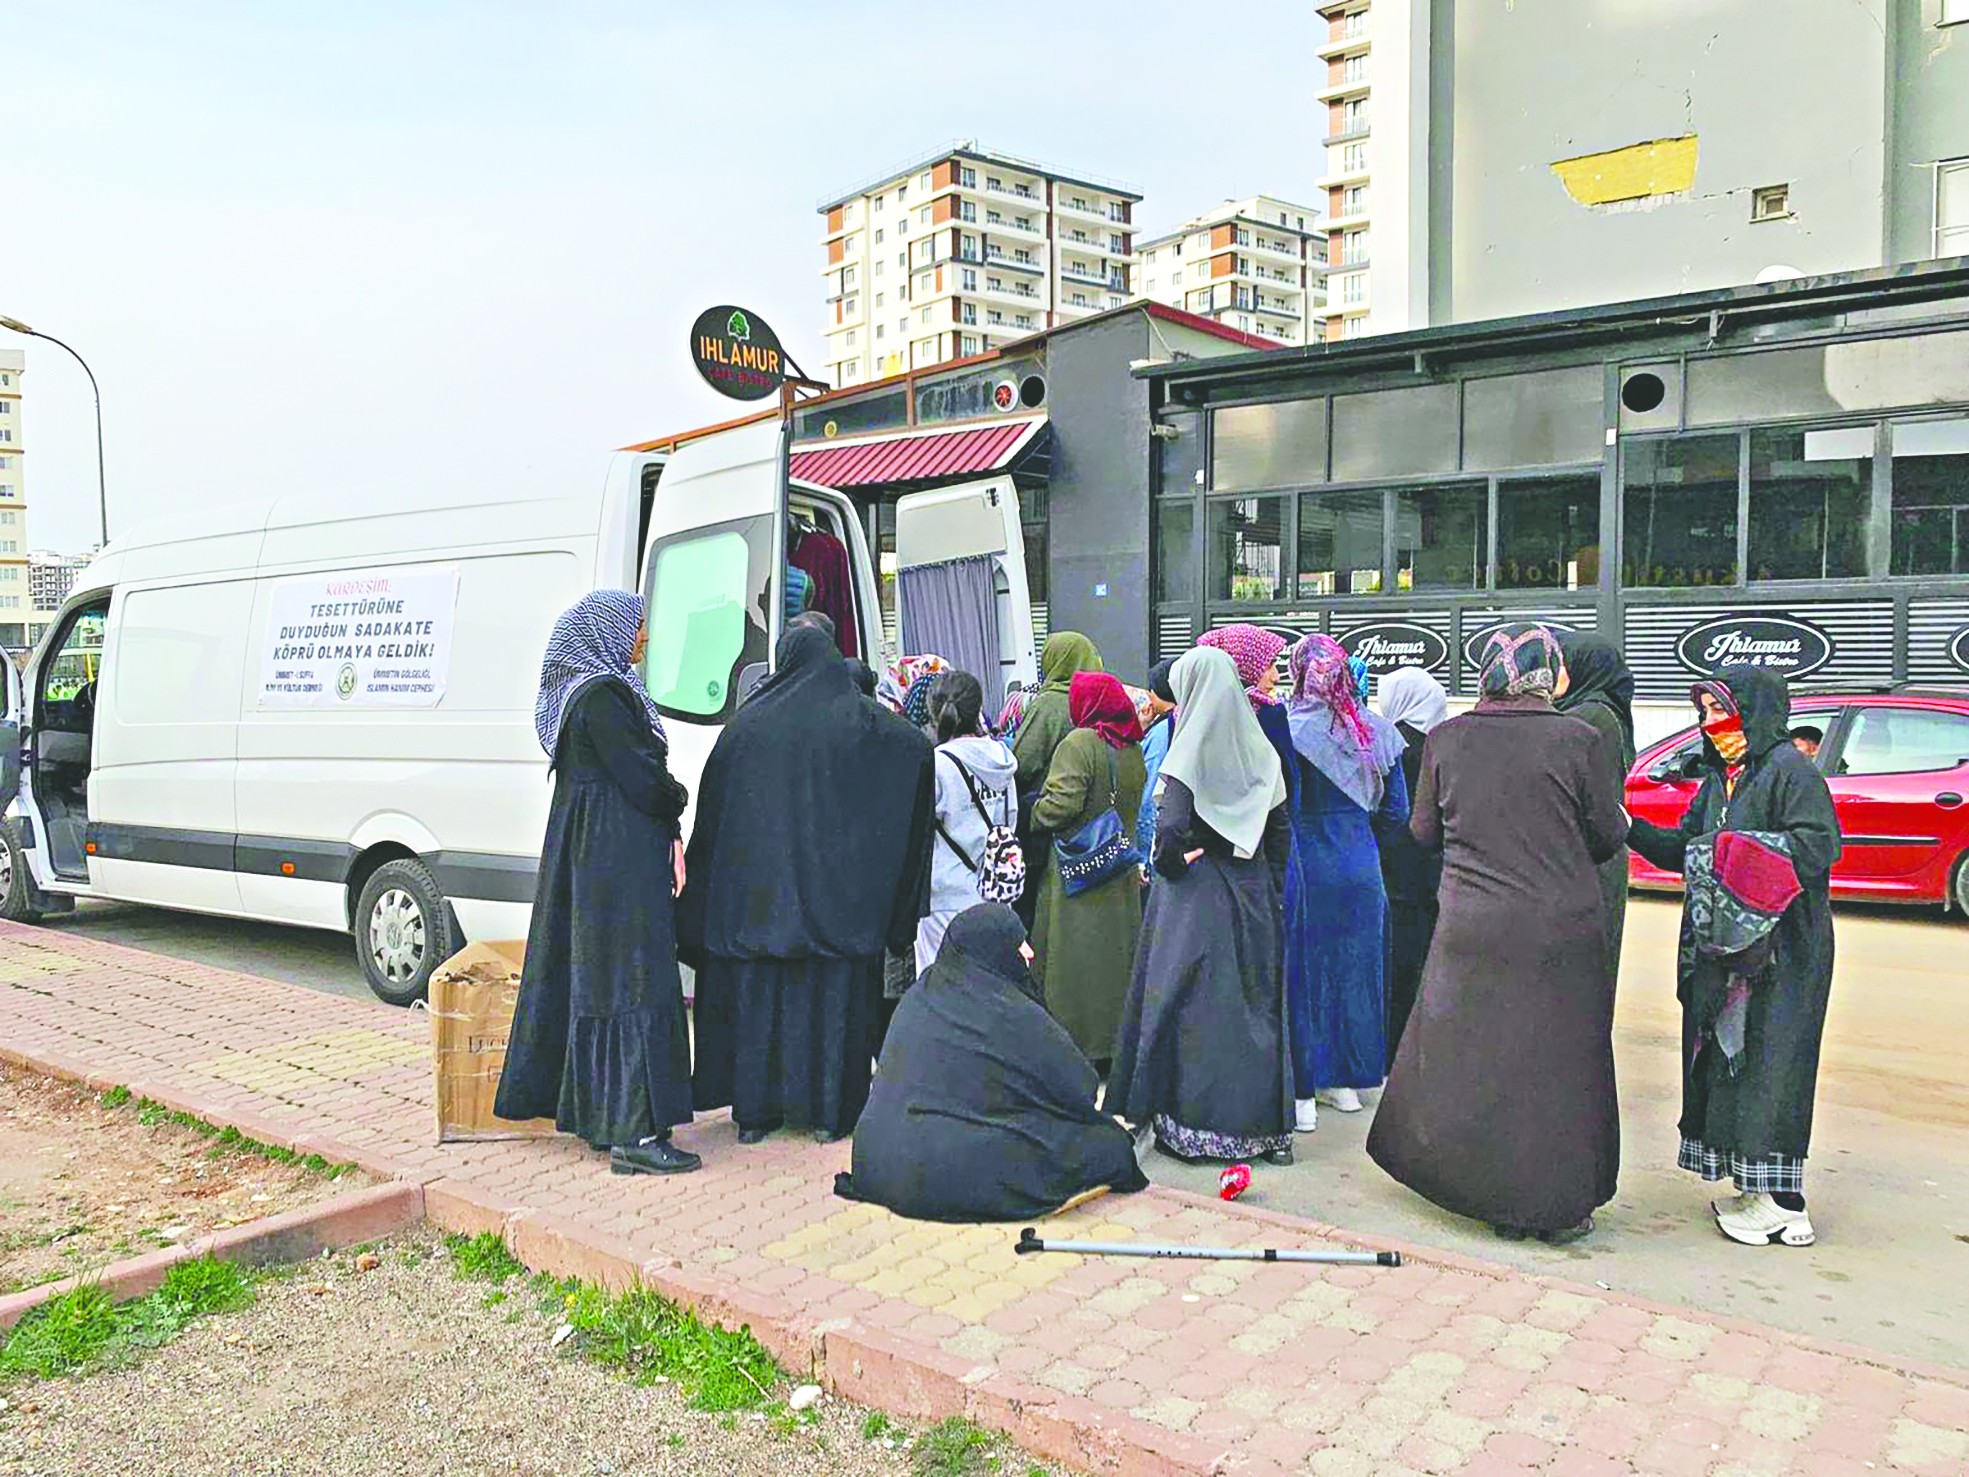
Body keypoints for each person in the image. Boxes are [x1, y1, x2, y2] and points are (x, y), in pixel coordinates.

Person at [1367, 624, 1629, 1243]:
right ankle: (1551, 1209)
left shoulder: (1447, 739)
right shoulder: (1580, 738)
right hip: (1558, 932)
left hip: (1470, 924)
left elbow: (1423, 831)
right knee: (1556, 1066)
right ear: (1548, 675)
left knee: (1475, 1060)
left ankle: (1480, 1191)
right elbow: (1606, 837)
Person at [681, 624, 936, 1144]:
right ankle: (828, 1117)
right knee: (833, 1013)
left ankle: (755, 1116)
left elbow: (713, 822)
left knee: (761, 1014)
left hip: (757, 912)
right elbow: (913, 748)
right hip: (839, 914)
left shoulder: (745, 729)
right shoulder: (861, 723)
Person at [1628, 668, 1842, 1247]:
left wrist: (1731, 853)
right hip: (1728, 951)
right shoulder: (1724, 780)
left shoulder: (1789, 773)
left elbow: (1819, 846)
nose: (1709, 724)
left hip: (1782, 953)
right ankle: (1754, 1189)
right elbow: (1686, 847)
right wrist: (1627, 827)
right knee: (1731, 1064)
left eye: (1719, 711)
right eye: (1704, 712)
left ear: (1754, 713)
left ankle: (1787, 1205)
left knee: (1774, 1064)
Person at [496, 591, 699, 1175]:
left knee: (604, 980)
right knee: (632, 979)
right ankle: (634, 1133)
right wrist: (678, 799)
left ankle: (607, 1118)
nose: (645, 639)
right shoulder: (602, 698)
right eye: (637, 627)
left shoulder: (581, 697)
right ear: (607, 630)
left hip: (599, 857)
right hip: (617, 863)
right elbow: (643, 776)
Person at [839, 904, 1148, 1223]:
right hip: (937, 1175)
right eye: (1017, 944)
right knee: (1110, 1145)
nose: (1028, 952)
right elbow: (1079, 1087)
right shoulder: (1010, 1012)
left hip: (873, 1160)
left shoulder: (919, 996)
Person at [1108, 647, 1294, 1166]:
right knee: (1254, 1008)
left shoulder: (1188, 749)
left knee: (1193, 1010)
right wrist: (1268, 890)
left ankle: (1195, 1129)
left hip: (1196, 898)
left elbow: (1168, 829)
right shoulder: (1262, 753)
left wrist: (1173, 864)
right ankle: (1265, 1135)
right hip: (1252, 892)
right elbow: (1280, 834)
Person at [1281, 635, 1409, 1132]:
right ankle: (1350, 1085)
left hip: (1309, 862)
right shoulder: (1378, 732)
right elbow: (1395, 812)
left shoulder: (1289, 730)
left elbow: (1283, 805)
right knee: (1357, 971)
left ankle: (1306, 1093)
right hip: (1361, 863)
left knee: (1308, 973)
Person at [1029, 671, 1146, 1067]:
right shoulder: (1130, 747)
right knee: (1116, 965)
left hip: (1079, 876)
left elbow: (1061, 805)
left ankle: (1076, 1049)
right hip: (1119, 872)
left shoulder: (1079, 742)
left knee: (1074, 968)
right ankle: (1114, 1047)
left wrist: (1034, 811)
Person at [918, 671, 1018, 974]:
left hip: (945, 895)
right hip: (995, 892)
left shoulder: (935, 765)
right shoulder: (1002, 758)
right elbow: (1010, 820)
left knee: (940, 991)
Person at [1375, 666, 1449, 1071]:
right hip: (1433, 870)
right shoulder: (1444, 744)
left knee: (1396, 964)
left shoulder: (1388, 743)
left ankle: (1390, 1051)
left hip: (1392, 866)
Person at [1555, 631, 1639, 991]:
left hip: (1587, 856)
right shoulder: (1603, 711)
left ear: (1584, 668)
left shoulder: (1589, 716)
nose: (1554, 671)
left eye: (1562, 663)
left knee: (1578, 976)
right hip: (1599, 854)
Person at [1012, 632, 1104, 791]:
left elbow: (1023, 764)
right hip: (1102, 809)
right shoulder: (1106, 700)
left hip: (1054, 802)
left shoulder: (1050, 704)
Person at [1135, 659, 1178, 862]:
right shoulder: (1184, 720)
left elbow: (1149, 795)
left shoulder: (1163, 731)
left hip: (1157, 842)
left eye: (1151, 689)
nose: (1148, 696)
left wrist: (1143, 856)